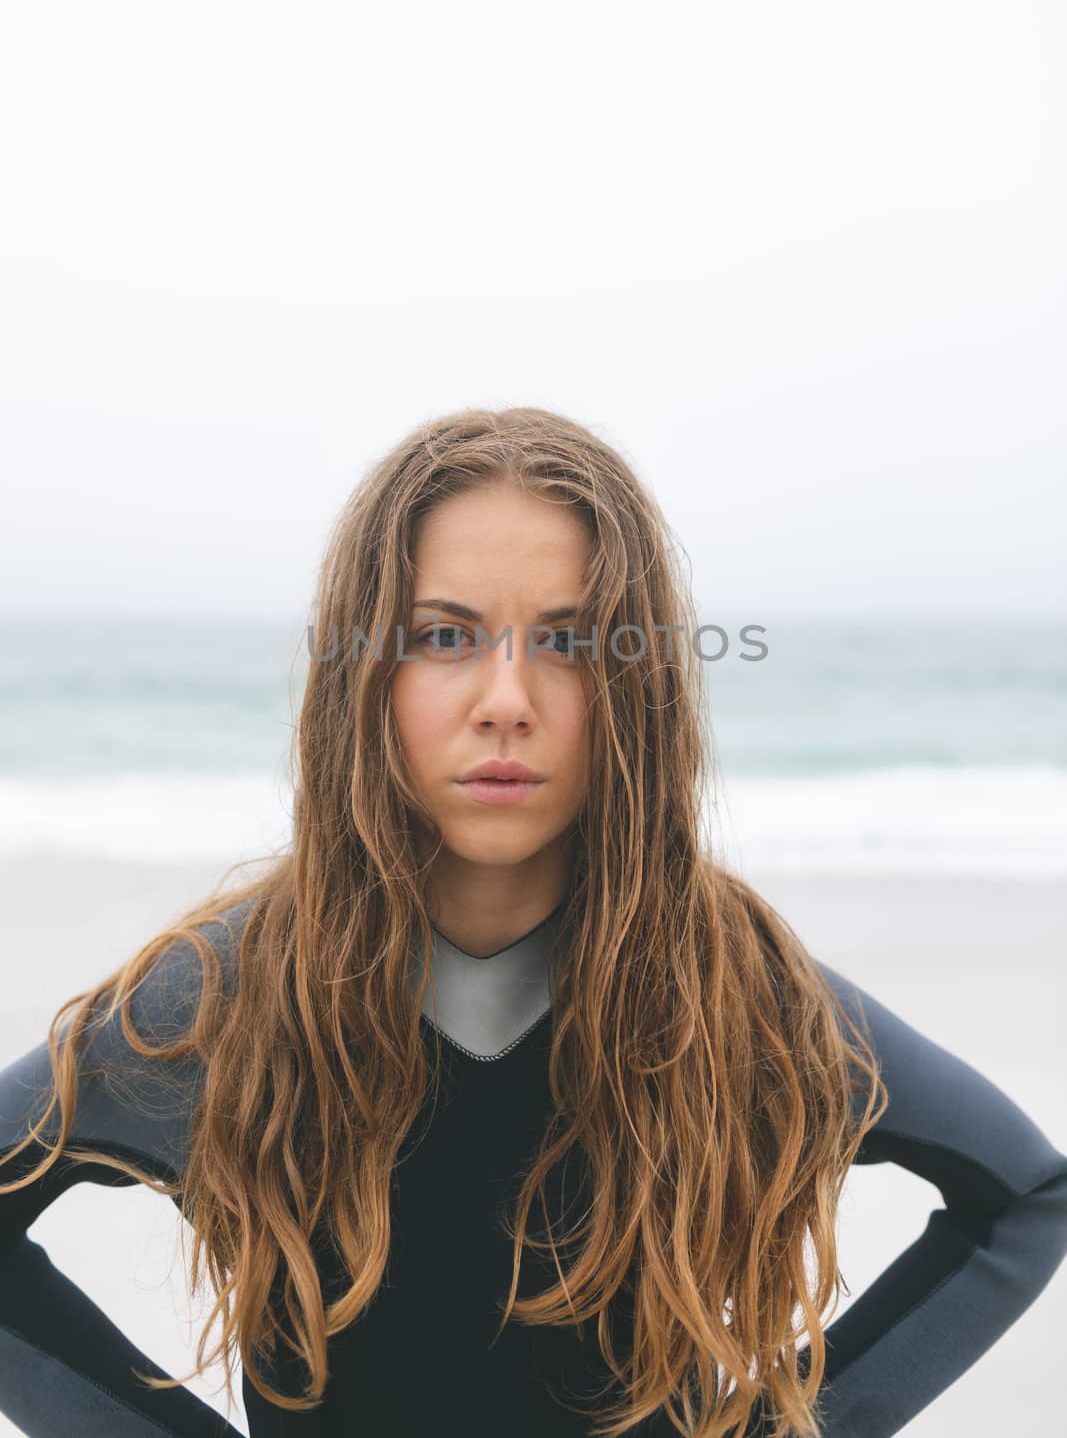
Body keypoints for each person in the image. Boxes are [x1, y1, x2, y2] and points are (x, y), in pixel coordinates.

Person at [1, 405, 1065, 1438]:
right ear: (361, 679)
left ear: (636, 684)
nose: (505, 697)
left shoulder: (737, 993)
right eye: (441, 635)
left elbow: (1024, 1193)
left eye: (567, 640)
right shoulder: (224, 1002)